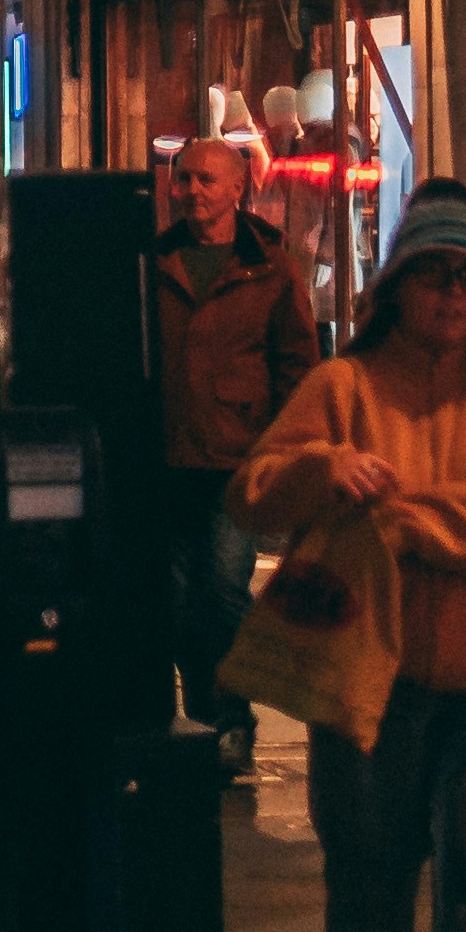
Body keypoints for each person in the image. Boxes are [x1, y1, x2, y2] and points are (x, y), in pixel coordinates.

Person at [245, 183, 466, 932]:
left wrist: (400, 521)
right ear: (396, 283)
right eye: (434, 273)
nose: (454, 294)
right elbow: (253, 495)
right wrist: (321, 468)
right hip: (365, 678)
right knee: (368, 893)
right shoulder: (344, 386)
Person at [156, 128, 328, 761]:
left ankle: (230, 717)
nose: (192, 190)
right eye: (183, 178)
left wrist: (281, 447)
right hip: (169, 459)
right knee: (178, 600)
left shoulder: (270, 267)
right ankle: (208, 713)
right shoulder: (157, 260)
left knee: (224, 590)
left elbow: (296, 363)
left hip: (236, 459)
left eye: (205, 178)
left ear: (237, 189)